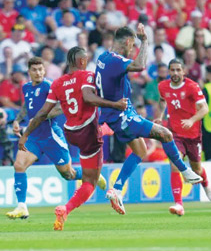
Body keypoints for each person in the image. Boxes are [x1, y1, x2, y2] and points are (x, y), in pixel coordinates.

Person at [95, 24, 202, 215]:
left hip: (116, 115)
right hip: (122, 116)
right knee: (165, 134)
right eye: (132, 46)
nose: (132, 50)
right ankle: (185, 170)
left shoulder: (103, 57)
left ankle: (116, 189)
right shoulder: (116, 60)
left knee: (140, 150)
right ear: (128, 42)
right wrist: (145, 40)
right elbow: (140, 65)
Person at [17, 47, 128, 230]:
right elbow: (89, 97)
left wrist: (25, 134)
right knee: (89, 183)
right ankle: (65, 209)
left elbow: (41, 114)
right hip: (88, 132)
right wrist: (115, 103)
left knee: (72, 171)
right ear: (82, 61)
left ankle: (105, 130)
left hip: (72, 133)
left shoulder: (57, 83)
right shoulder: (87, 76)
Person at [5, 57, 104, 219]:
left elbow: (61, 108)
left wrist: (41, 117)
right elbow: (26, 106)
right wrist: (17, 120)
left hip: (51, 137)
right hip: (34, 137)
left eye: (40, 69)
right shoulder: (27, 87)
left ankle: (93, 175)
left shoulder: (50, 86)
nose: (38, 73)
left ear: (44, 70)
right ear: (29, 72)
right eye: (34, 70)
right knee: (19, 165)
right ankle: (22, 206)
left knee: (68, 174)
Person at [156, 58, 211, 217]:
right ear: (169, 72)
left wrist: (191, 120)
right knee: (175, 164)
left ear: (183, 71)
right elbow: (163, 101)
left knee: (197, 169)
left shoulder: (192, 87)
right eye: (172, 70)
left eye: (178, 70)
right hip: (174, 134)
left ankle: (206, 184)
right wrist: (160, 116)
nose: (175, 73)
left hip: (193, 135)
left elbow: (204, 109)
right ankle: (179, 204)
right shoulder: (163, 86)